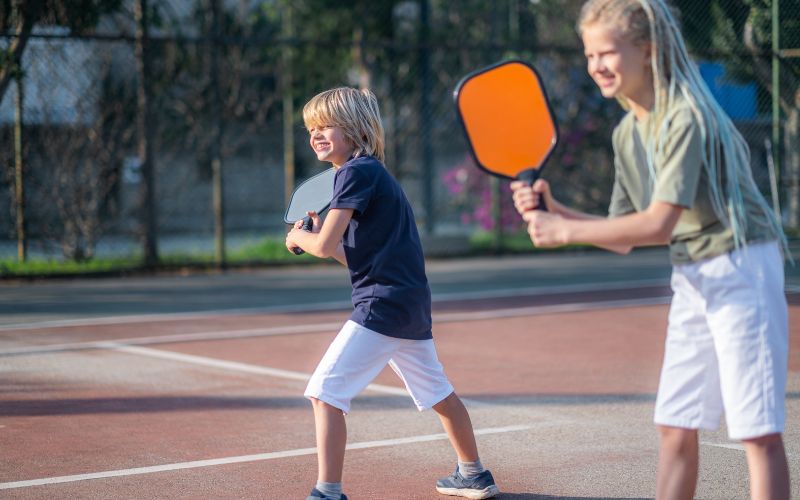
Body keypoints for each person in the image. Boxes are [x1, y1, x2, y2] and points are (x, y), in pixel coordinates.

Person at [509, 1, 790, 498]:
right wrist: (559, 210)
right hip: (694, 273)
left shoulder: (686, 116)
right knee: (675, 424)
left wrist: (563, 232)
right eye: (590, 54)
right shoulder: (626, 132)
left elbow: (660, 221)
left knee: (757, 431)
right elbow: (624, 232)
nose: (597, 65)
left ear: (647, 50)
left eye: (608, 52)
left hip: (743, 265)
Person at [285, 87, 499, 500]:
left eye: (326, 125)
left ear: (355, 129)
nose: (316, 134)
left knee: (324, 393)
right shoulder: (368, 175)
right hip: (407, 305)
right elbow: (352, 257)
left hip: (381, 306)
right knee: (440, 394)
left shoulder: (354, 173)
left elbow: (326, 245)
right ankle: (473, 474)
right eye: (311, 128)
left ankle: (328, 492)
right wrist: (313, 239)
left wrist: (299, 237)